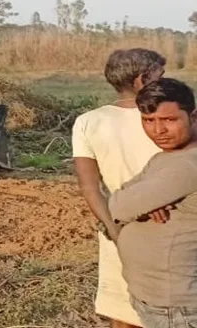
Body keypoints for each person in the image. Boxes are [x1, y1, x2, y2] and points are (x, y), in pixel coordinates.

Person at [72, 47, 167, 328]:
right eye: (161, 76)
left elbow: (90, 188)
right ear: (143, 79)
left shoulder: (88, 122)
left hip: (119, 221)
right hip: (173, 221)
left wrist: (113, 229)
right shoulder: (171, 120)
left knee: (123, 309)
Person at [109, 78, 197, 327]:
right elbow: (117, 198)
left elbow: (116, 207)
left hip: (178, 307)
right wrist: (143, 203)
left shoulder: (187, 165)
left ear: (193, 116)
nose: (158, 131)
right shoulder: (166, 157)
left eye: (169, 120)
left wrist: (136, 204)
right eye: (149, 121)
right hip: (159, 299)